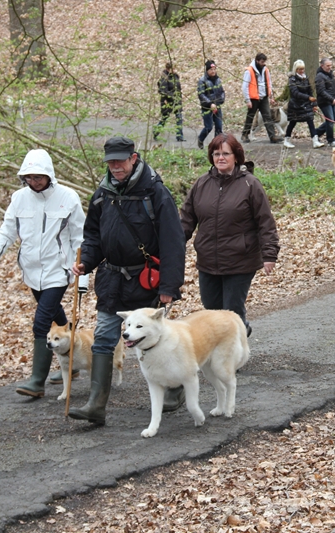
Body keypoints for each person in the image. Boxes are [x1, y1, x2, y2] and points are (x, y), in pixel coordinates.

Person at [69, 137, 186, 426]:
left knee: (158, 340)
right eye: (111, 161)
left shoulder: (156, 193)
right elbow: (93, 236)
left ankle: (175, 387)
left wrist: (169, 287)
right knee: (103, 340)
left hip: (147, 279)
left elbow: (174, 242)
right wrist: (87, 262)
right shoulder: (102, 194)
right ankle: (96, 405)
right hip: (112, 280)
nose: (115, 166)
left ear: (134, 158)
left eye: (120, 161)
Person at [0, 149, 86, 398]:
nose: (34, 181)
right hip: (31, 270)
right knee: (57, 318)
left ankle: (36, 381)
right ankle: (70, 363)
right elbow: (6, 232)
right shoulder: (19, 198)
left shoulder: (68, 197)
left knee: (41, 322)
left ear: (49, 174)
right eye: (29, 177)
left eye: (38, 177)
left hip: (58, 270)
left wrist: (84, 274)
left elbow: (80, 237)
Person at [180, 133, 280, 337]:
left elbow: (265, 222)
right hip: (207, 259)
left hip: (240, 260)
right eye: (216, 154)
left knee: (231, 310)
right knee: (212, 309)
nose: (220, 158)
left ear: (236, 156)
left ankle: (230, 358)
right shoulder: (201, 184)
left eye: (226, 153)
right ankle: (241, 330)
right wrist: (173, 246)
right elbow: (186, 220)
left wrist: (269, 254)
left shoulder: (250, 185)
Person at [240, 53, 284, 144]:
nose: (263, 63)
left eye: (264, 62)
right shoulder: (249, 71)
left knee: (267, 116)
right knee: (250, 117)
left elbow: (269, 83)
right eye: (262, 62)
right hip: (253, 98)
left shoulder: (265, 70)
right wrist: (248, 100)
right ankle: (245, 134)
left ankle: (272, 136)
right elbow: (245, 86)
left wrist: (271, 96)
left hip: (263, 98)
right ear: (257, 61)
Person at [283, 60, 324, 149]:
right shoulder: (292, 79)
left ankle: (315, 140)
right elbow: (295, 93)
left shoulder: (306, 78)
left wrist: (314, 104)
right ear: (296, 69)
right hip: (295, 106)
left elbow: (310, 91)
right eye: (299, 69)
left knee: (310, 121)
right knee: (293, 122)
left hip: (306, 104)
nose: (302, 71)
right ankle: (286, 139)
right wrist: (308, 98)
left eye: (303, 69)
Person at [196, 60, 225, 150]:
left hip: (217, 106)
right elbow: (201, 94)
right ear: (207, 70)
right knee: (208, 127)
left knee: (219, 127)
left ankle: (217, 146)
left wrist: (220, 101)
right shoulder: (202, 80)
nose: (213, 71)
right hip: (207, 107)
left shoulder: (217, 80)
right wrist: (210, 103)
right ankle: (200, 139)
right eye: (211, 69)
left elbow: (222, 92)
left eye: (214, 69)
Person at [314, 58, 335, 147]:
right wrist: (331, 99)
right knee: (330, 120)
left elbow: (333, 89)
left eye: (330, 65)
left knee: (332, 120)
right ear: (322, 66)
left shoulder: (330, 74)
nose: (330, 67)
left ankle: (315, 133)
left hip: (332, 101)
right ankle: (330, 140)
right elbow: (321, 91)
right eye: (327, 66)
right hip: (324, 102)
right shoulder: (319, 76)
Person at [154, 62, 184, 142]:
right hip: (167, 101)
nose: (174, 70)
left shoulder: (175, 77)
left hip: (177, 101)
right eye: (172, 69)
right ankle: (156, 131)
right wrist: (172, 97)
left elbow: (178, 88)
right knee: (164, 118)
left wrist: (179, 97)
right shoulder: (164, 78)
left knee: (179, 118)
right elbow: (163, 91)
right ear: (168, 69)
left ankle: (179, 136)